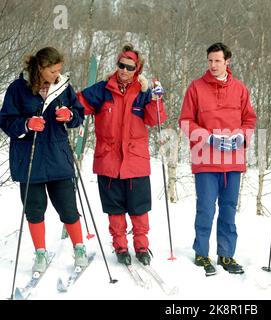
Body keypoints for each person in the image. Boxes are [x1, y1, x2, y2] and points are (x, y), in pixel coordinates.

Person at [0, 47, 88, 272]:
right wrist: (27, 125)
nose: (57, 74)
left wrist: (70, 116)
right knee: (34, 210)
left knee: (68, 207)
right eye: (52, 70)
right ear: (40, 68)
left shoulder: (63, 87)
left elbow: (79, 114)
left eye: (59, 70)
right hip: (29, 159)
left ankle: (79, 248)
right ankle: (40, 253)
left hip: (58, 156)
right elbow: (6, 121)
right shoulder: (18, 89)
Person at [77, 44, 166, 266]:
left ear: (137, 70)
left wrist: (155, 99)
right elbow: (78, 105)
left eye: (129, 67)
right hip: (108, 161)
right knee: (115, 209)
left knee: (139, 209)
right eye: (121, 65)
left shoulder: (143, 93)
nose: (124, 70)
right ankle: (120, 246)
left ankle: (142, 246)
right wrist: (62, 106)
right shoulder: (102, 90)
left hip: (135, 162)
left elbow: (155, 120)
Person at [179, 42, 257, 276]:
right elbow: (185, 121)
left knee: (229, 209)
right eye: (210, 61)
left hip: (233, 161)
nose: (213, 65)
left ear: (227, 62)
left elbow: (250, 120)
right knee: (205, 208)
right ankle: (202, 253)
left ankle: (226, 255)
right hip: (205, 159)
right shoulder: (196, 88)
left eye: (217, 61)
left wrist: (241, 137)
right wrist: (208, 137)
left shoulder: (240, 89)